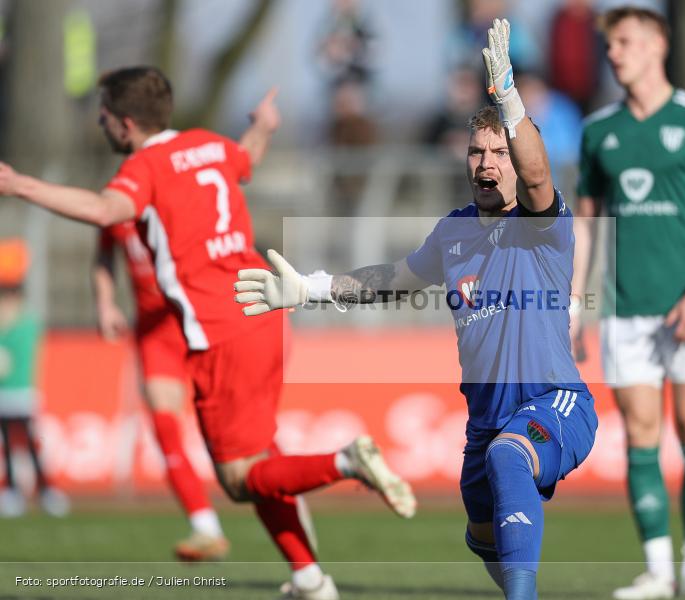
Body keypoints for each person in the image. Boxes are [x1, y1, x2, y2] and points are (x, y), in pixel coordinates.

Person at [0, 66, 415, 599]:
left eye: (103, 114)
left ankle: (346, 461)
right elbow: (250, 155)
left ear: (126, 124)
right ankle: (311, 579)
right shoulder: (209, 145)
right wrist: (264, 124)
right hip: (265, 312)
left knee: (240, 479)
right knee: (261, 455)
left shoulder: (144, 166)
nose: (99, 122)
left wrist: (19, 185)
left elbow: (106, 211)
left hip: (220, 329)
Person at [235, 20, 597, 600]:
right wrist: (311, 287)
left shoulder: (541, 225)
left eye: (497, 152)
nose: (486, 163)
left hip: (552, 401)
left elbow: (535, 173)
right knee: (482, 535)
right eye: (476, 151)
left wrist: (507, 97)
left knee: (510, 457)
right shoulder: (453, 232)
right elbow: (392, 280)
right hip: (485, 419)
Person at [571, 7, 685, 599]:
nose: (613, 53)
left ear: (656, 45)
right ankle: (657, 571)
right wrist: (576, 303)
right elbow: (586, 227)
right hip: (624, 310)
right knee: (640, 436)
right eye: (610, 44)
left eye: (623, 42)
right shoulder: (599, 132)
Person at [94, 221, 233, 560]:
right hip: (157, 333)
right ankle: (205, 527)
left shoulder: (173, 190)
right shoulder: (116, 203)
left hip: (203, 319)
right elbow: (103, 255)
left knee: (232, 434)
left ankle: (290, 502)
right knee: (164, 424)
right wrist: (105, 302)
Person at [0, 238, 70, 518]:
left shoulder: (26, 322)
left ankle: (46, 490)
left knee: (28, 442)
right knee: (7, 443)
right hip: (4, 394)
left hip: (21, 392)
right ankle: (13, 490)